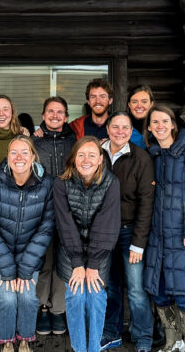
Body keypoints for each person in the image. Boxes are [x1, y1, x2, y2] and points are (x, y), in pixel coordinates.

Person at [0, 135, 55, 352]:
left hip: (30, 257)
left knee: (28, 297)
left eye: (24, 152)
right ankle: (7, 340)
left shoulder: (46, 184)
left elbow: (46, 227)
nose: (19, 157)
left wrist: (25, 268)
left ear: (33, 156)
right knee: (8, 299)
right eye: (13, 152)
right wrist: (9, 269)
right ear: (7, 156)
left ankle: (26, 339)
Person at [143, 105, 185, 352]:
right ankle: (172, 343)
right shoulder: (153, 156)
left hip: (183, 237)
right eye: (154, 122)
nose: (160, 126)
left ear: (173, 124)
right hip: (158, 238)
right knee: (159, 293)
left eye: (164, 121)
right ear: (149, 127)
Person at [54, 136, 121, 352]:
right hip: (69, 250)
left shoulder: (111, 182)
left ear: (101, 159)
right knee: (76, 295)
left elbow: (107, 224)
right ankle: (79, 349)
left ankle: (93, 349)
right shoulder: (61, 182)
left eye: (92, 155)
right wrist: (77, 262)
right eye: (81, 155)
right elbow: (65, 224)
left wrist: (92, 264)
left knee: (95, 296)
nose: (86, 160)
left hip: (99, 252)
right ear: (73, 158)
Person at [99, 113, 155, 352]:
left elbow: (146, 202)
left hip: (129, 231)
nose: (119, 132)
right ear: (108, 128)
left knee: (135, 288)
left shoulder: (140, 157)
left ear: (132, 130)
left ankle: (143, 335)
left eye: (125, 128)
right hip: (103, 233)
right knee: (110, 286)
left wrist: (138, 243)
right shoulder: (97, 152)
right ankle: (112, 332)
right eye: (115, 127)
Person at [32, 96, 76, 335]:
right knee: (43, 261)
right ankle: (42, 307)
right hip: (41, 210)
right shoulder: (34, 142)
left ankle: (59, 309)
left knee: (63, 261)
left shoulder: (74, 141)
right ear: (43, 115)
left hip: (68, 211)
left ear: (66, 117)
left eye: (60, 112)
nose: (55, 115)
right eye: (51, 111)